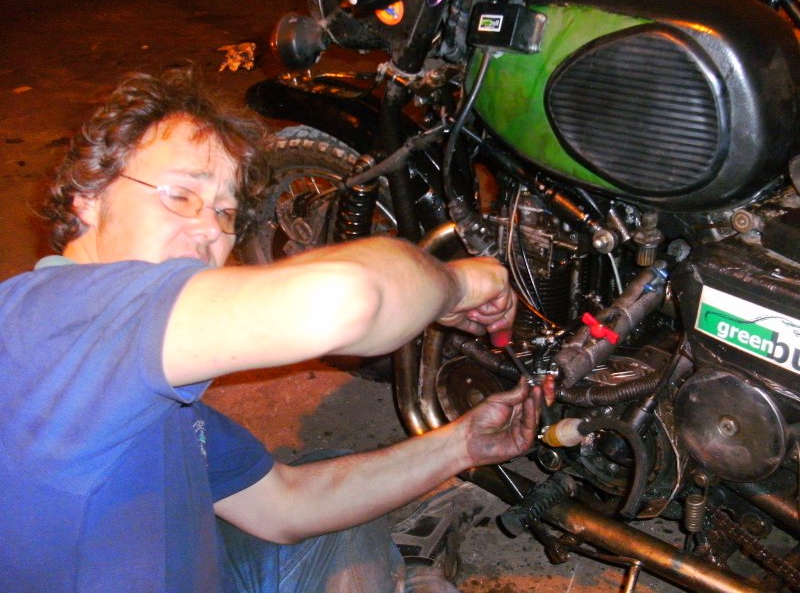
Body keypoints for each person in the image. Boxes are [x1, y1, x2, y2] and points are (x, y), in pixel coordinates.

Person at [0, 68, 540, 592]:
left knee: (326, 482)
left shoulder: (148, 384)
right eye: (180, 195)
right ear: (89, 197)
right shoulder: (51, 323)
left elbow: (286, 505)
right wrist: (459, 282)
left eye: (226, 212)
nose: (211, 229)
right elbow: (344, 299)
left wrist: (462, 444)